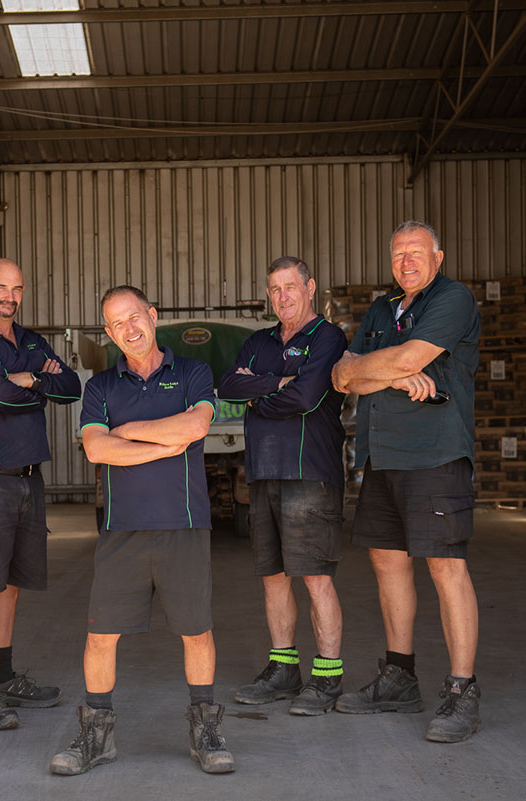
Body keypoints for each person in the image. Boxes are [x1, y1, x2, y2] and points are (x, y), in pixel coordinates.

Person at [51, 285, 234, 776]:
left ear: (152, 316)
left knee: (197, 632)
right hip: (122, 531)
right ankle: (97, 734)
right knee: (100, 637)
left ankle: (206, 729)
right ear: (108, 335)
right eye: (116, 324)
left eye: (134, 317)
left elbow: (195, 427)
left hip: (184, 525)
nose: (128, 329)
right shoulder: (100, 388)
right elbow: (95, 450)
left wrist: (126, 430)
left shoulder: (194, 372)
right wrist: (160, 442)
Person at [329, 220, 483, 743]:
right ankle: (399, 676)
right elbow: (340, 376)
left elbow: (411, 358)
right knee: (387, 562)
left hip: (436, 455)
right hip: (383, 458)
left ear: (438, 257)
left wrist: (384, 368)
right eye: (398, 254)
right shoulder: (380, 309)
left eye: (417, 253)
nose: (407, 262)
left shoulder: (452, 299)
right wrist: (391, 373)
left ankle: (463, 691)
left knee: (446, 566)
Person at [0, 258, 81, 730]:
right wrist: (20, 382)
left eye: (17, 288)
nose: (9, 295)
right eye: (1, 287)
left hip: (27, 476)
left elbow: (69, 386)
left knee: (10, 584)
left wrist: (33, 378)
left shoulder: (29, 341)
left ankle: (3, 677)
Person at [217, 256, 348, 716]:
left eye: (290, 287)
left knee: (315, 577)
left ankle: (328, 676)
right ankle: (283, 668)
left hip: (310, 472)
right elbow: (230, 387)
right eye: (274, 289)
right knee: (272, 577)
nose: (282, 297)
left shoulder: (327, 337)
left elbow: (309, 396)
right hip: (264, 473)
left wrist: (262, 393)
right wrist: (280, 385)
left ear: (310, 287)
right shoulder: (258, 342)